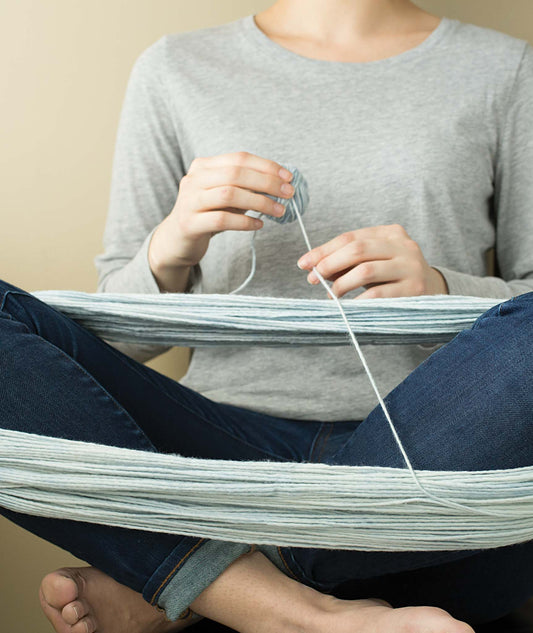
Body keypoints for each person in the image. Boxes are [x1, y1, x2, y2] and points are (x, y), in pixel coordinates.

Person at [2, 0, 533, 631]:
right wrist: (174, 243)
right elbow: (116, 344)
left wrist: (442, 287)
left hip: (438, 446)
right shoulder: (176, 67)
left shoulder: (505, 68)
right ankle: (290, 607)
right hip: (219, 450)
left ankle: (202, 579)